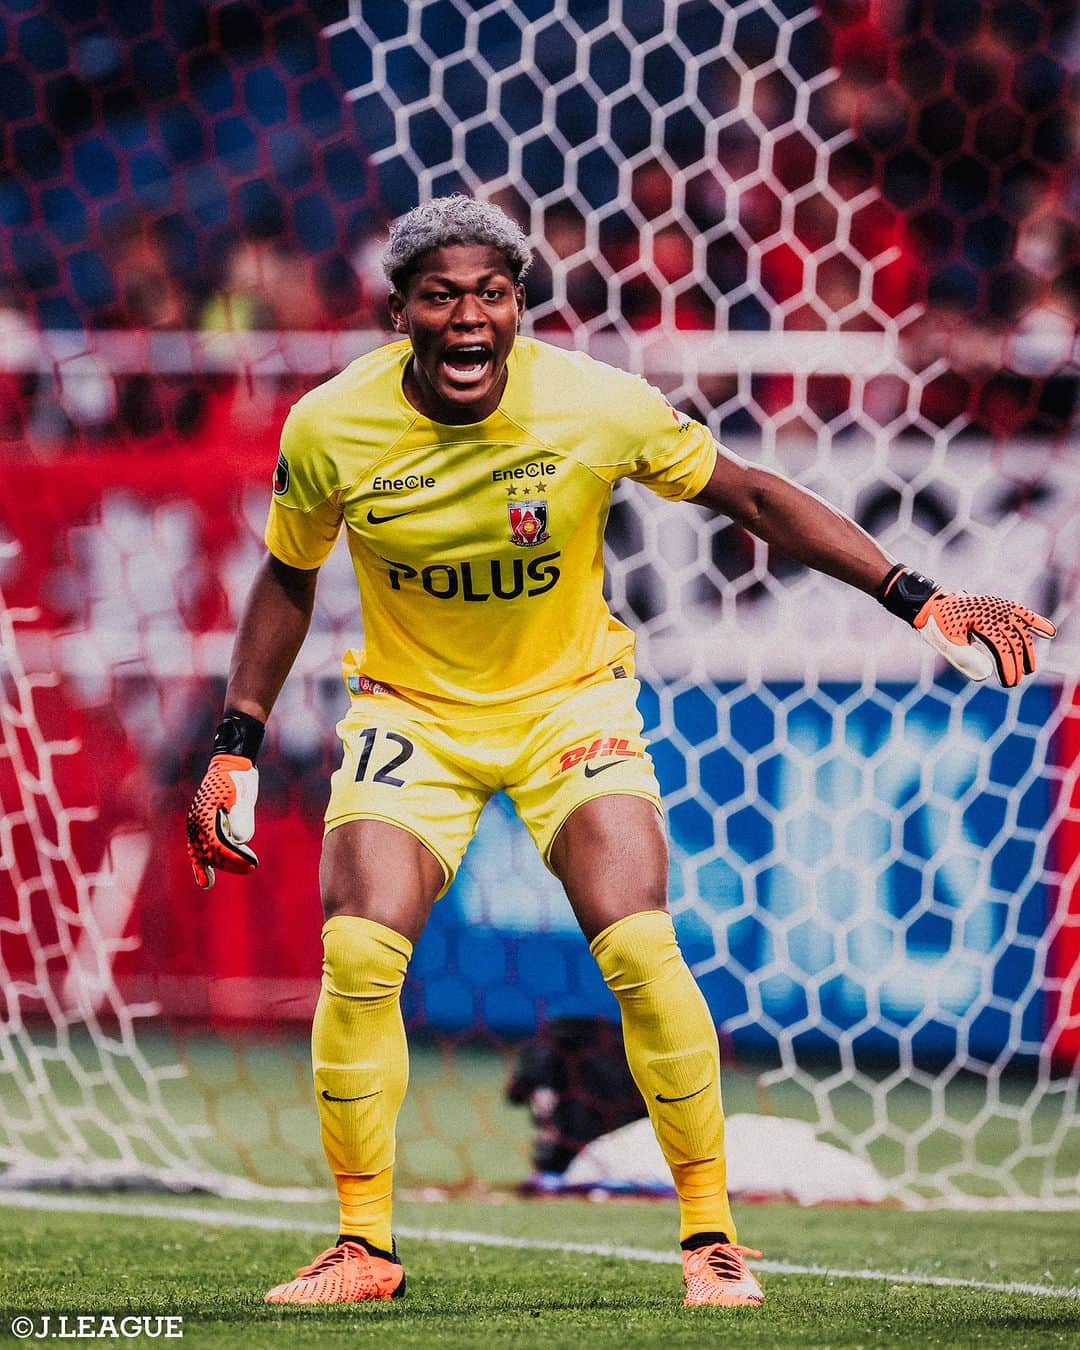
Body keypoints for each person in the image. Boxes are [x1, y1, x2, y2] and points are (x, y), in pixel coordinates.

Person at [185, 195, 1056, 1309]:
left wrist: (918, 597)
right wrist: (236, 743)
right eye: (441, 296)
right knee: (358, 951)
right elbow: (288, 576)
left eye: (491, 295)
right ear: (399, 313)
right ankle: (362, 1248)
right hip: (412, 717)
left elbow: (749, 493)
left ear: (519, 307)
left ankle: (711, 1241)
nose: (468, 317)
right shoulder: (329, 427)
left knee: (640, 943)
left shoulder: (593, 402)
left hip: (570, 709)